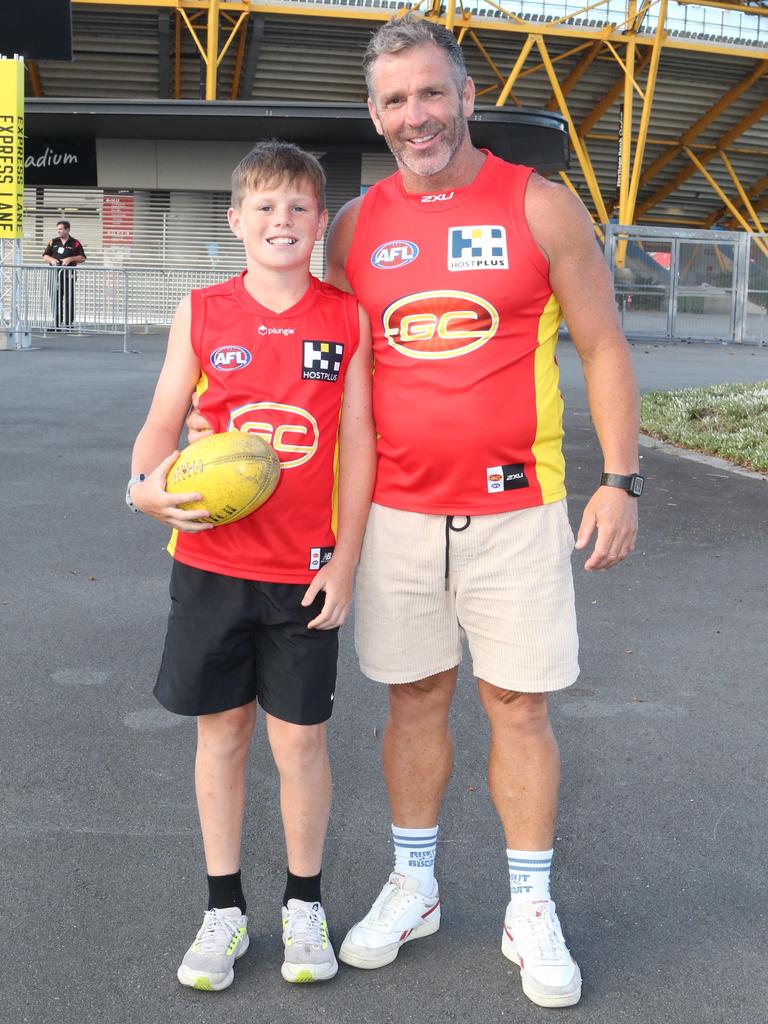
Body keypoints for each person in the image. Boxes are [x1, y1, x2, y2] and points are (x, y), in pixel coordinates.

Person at [189, 14, 642, 1009]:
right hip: (393, 512)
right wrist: (213, 432)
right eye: (395, 100)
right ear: (375, 115)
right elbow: (315, 354)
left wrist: (621, 477)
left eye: (431, 93)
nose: (416, 114)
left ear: (467, 97)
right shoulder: (355, 227)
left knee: (519, 704)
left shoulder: (541, 207)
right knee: (414, 698)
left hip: (519, 507)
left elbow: (604, 343)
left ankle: (531, 904)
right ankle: (415, 884)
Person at [128, 141, 375, 992]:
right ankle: (223, 909)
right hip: (210, 563)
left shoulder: (347, 318)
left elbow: (360, 447)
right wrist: (143, 486)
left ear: (321, 224)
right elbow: (163, 420)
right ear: (235, 221)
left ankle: (303, 903)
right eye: (265, 208)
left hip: (303, 571)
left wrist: (346, 560)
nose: (283, 222)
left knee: (301, 740)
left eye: (300, 209)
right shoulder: (201, 311)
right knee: (222, 734)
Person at [42, 220, 86, 329]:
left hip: (68, 275)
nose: (58, 231)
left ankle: (68, 323)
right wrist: (51, 260)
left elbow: (82, 258)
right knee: (55, 298)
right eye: (58, 229)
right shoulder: (53, 241)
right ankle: (57, 323)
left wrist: (70, 259)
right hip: (54, 275)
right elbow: (45, 256)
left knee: (68, 298)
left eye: (60, 229)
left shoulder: (75, 243)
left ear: (67, 229)